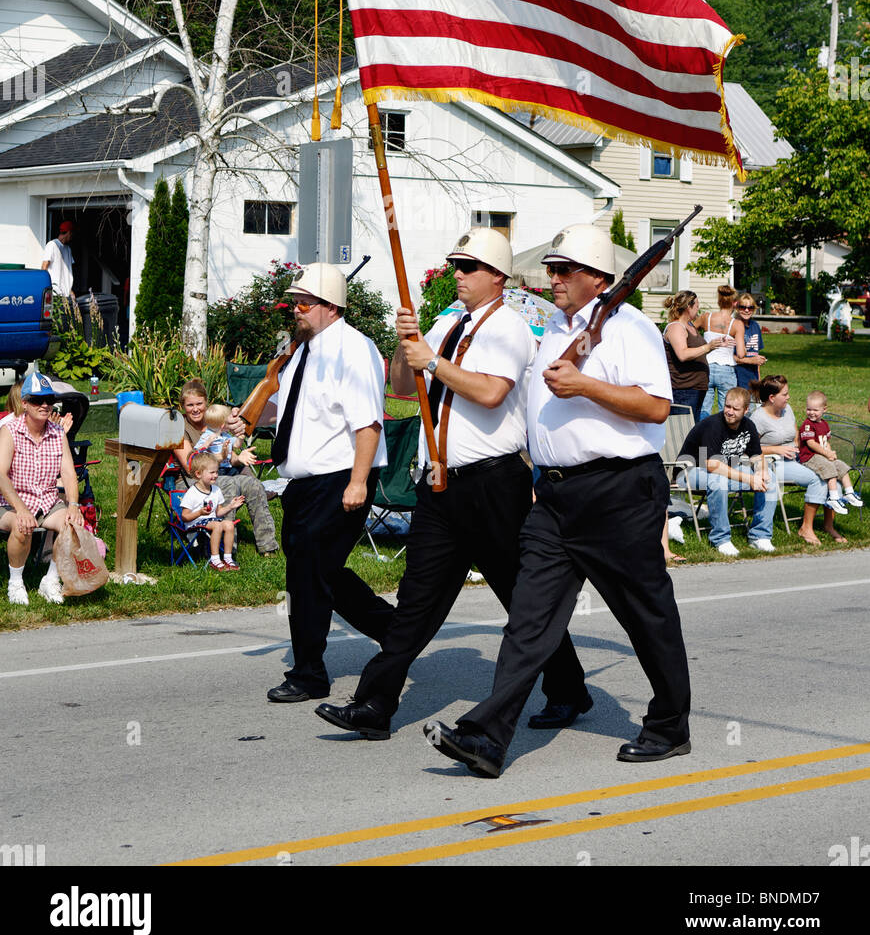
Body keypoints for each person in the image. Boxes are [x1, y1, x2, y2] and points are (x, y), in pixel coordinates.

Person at [424, 223, 690, 778]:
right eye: (550, 268)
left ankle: (669, 725)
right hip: (555, 496)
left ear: (597, 276)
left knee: (645, 615)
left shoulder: (629, 328)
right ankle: (487, 738)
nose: (552, 278)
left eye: (563, 269)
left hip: (618, 492)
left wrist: (587, 385)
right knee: (528, 619)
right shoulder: (556, 330)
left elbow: (656, 408)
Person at [315, 229, 587, 742]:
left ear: (496, 276)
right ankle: (374, 705)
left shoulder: (506, 328)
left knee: (520, 598)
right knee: (416, 602)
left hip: (492, 483)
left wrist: (434, 362)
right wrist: (406, 346)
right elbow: (402, 387)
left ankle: (568, 687)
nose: (458, 274)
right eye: (455, 265)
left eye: (469, 266)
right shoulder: (444, 323)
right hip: (438, 485)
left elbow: (489, 392)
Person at [265, 263, 395, 704]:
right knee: (323, 573)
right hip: (303, 483)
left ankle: (309, 673)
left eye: (304, 303)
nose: (296, 310)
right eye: (294, 303)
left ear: (330, 306)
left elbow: (368, 423)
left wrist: (359, 483)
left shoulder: (354, 349)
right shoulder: (304, 348)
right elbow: (296, 411)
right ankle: (395, 632)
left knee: (306, 575)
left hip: (340, 478)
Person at [0, 369, 83, 606]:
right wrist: (20, 508)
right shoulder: (10, 431)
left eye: (49, 400)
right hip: (10, 501)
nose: (45, 405)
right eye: (38, 400)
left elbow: (68, 472)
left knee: (74, 525)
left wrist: (74, 505)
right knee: (21, 525)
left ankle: (51, 579)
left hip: (46, 500)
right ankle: (16, 581)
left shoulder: (58, 433)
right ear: (25, 403)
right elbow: (1, 474)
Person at [171, 380, 279, 557]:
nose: (196, 409)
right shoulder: (179, 427)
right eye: (190, 405)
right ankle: (225, 552)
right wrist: (220, 458)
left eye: (199, 404)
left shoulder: (215, 421)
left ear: (206, 403)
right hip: (192, 481)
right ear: (183, 406)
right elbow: (192, 466)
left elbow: (228, 454)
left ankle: (268, 547)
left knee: (253, 485)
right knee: (228, 484)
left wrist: (239, 457)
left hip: (219, 473)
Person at [677, 386, 773, 555]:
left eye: (735, 409)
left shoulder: (748, 425)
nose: (729, 412)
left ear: (746, 409)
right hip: (689, 471)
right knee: (718, 480)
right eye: (727, 406)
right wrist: (749, 479)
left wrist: (761, 470)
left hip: (722, 470)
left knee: (769, 478)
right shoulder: (712, 425)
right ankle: (720, 539)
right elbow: (711, 464)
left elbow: (756, 456)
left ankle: (760, 536)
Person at [748, 374, 830, 546]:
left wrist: (801, 450)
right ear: (772, 398)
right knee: (814, 479)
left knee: (825, 474)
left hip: (792, 460)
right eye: (784, 394)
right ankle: (763, 534)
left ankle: (815, 527)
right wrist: (776, 449)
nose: (788, 397)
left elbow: (795, 434)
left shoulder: (787, 410)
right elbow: (749, 449)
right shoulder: (758, 418)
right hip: (769, 461)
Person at [798, 390, 862, 523]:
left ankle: (849, 492)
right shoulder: (808, 425)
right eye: (809, 409)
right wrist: (826, 454)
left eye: (815, 410)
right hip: (810, 457)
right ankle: (833, 498)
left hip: (822, 456)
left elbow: (826, 442)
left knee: (841, 466)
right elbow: (810, 443)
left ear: (824, 409)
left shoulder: (824, 424)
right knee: (830, 469)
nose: (811, 412)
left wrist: (830, 453)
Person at [663, 290, 727, 422]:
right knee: (683, 430)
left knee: (693, 429)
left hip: (697, 388)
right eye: (696, 305)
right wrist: (707, 346)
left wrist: (715, 345)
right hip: (683, 390)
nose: (698, 308)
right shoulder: (676, 327)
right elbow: (683, 354)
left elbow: (696, 352)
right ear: (688, 307)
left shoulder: (690, 325)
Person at [179, 451, 244, 571]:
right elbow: (184, 517)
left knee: (229, 524)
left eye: (217, 471)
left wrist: (230, 506)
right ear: (198, 474)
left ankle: (228, 558)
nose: (216, 475)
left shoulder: (216, 490)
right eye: (212, 472)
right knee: (218, 525)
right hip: (195, 523)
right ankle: (214, 559)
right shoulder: (192, 493)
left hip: (213, 520)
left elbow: (218, 512)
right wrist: (199, 513)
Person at [698, 286, 744, 417]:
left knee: (704, 408)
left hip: (706, 367)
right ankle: (722, 436)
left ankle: (704, 435)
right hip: (726, 370)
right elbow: (741, 354)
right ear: (735, 303)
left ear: (719, 301)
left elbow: (689, 329)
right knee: (727, 408)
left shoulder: (706, 317)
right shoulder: (737, 324)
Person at [733, 293, 766, 390]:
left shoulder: (755, 326)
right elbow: (728, 357)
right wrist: (750, 361)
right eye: (743, 307)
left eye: (750, 307)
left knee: (753, 405)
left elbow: (756, 356)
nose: (747, 310)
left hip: (753, 378)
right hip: (737, 378)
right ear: (737, 308)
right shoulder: (733, 326)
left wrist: (759, 380)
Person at [41, 220, 75, 300]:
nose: (72, 236)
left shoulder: (68, 249)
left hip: (66, 294)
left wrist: (70, 290)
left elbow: (67, 272)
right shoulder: (52, 245)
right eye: (72, 234)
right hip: (54, 294)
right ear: (69, 232)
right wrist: (46, 289)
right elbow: (44, 267)